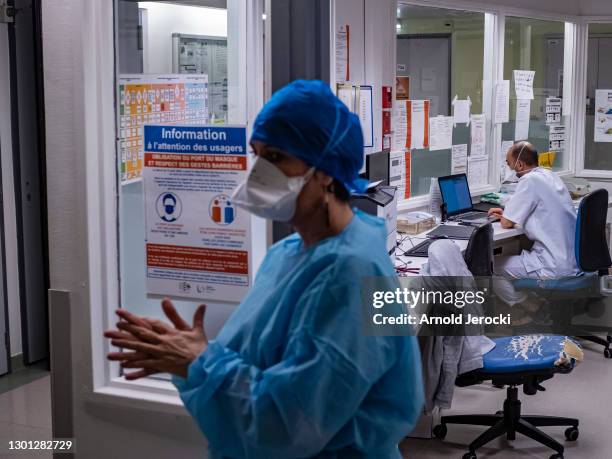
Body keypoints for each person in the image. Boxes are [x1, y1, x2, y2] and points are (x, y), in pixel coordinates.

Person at [105, 80, 424, 458]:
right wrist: (189, 350)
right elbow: (259, 363)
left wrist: (199, 362)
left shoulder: (348, 273)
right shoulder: (289, 253)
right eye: (256, 155)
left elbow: (288, 425)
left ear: (325, 170)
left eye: (275, 157)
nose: (258, 171)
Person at [487, 141, 579, 305]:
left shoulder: (529, 180)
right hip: (572, 261)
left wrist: (507, 217)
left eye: (509, 164)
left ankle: (526, 306)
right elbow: (540, 211)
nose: (509, 169)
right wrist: (509, 215)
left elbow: (507, 224)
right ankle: (535, 305)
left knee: (487, 267)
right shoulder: (550, 175)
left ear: (520, 164)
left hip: (552, 264)